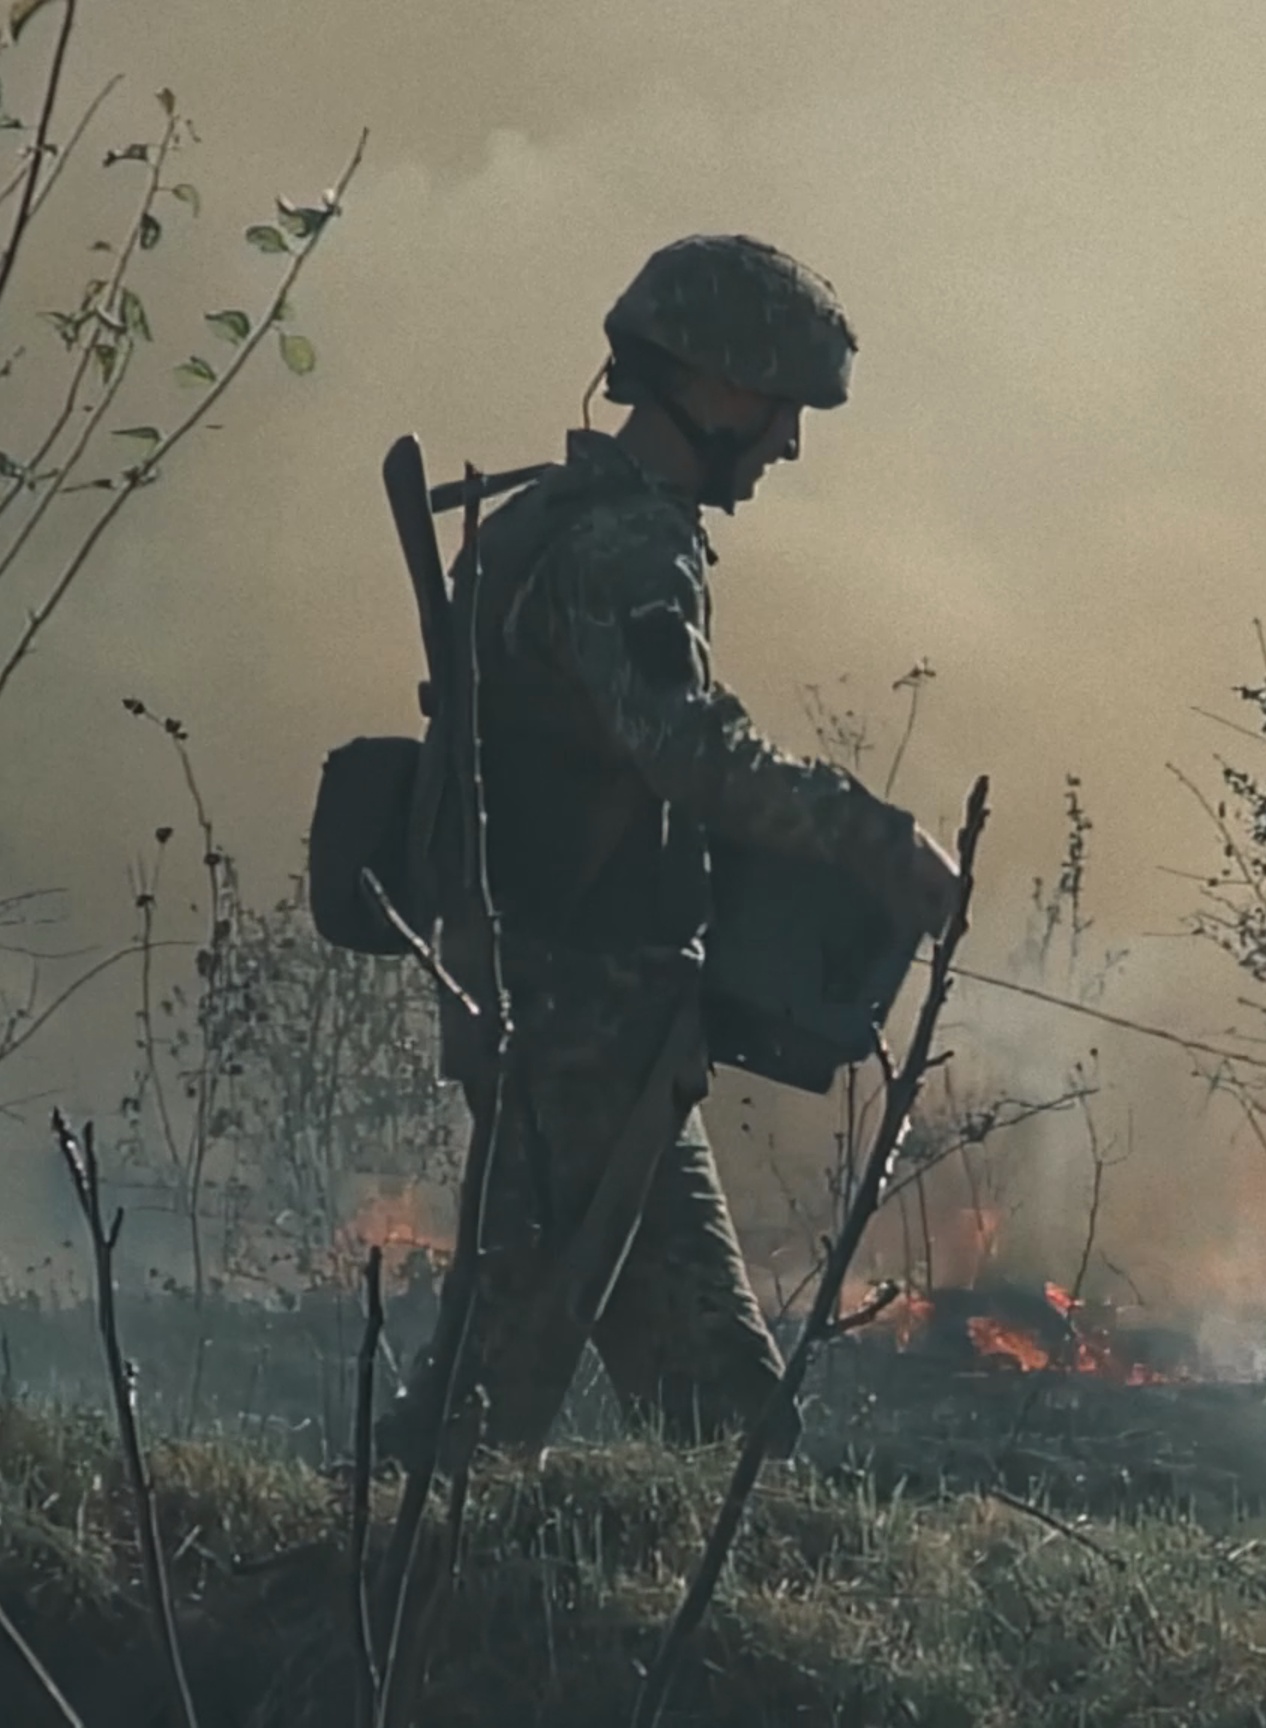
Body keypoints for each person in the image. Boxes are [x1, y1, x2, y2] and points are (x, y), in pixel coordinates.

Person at [376, 234, 960, 1467]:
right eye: (785, 411)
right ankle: (360, 1610)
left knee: (705, 1417)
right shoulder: (628, 550)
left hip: (582, 1020)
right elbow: (690, 755)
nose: (790, 445)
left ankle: (409, 1590)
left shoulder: (545, 522)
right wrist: (877, 837)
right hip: (579, 1029)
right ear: (723, 387)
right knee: (492, 1423)